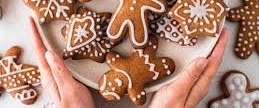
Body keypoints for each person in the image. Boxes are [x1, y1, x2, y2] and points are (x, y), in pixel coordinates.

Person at [29, 17, 228, 108]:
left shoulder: (118, 64)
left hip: (146, 56)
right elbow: (112, 59)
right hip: (150, 63)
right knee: (159, 60)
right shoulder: (127, 79)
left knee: (154, 52)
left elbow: (112, 57)